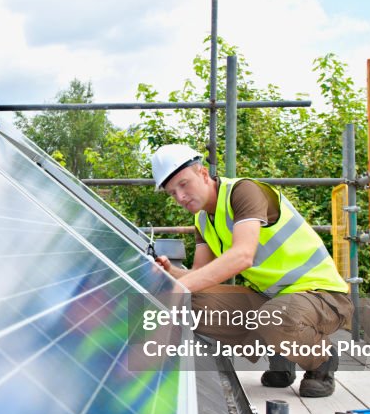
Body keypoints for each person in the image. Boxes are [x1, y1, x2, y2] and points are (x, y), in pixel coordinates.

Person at [150, 144, 353, 397]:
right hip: (272, 299)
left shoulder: (243, 191)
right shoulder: (202, 220)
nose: (180, 197)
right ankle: (281, 351)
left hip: (320, 294)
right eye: (172, 193)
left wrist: (180, 288)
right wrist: (172, 274)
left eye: (184, 184)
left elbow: (243, 255)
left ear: (202, 174)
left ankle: (321, 361)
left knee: (275, 317)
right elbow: (199, 274)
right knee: (191, 304)